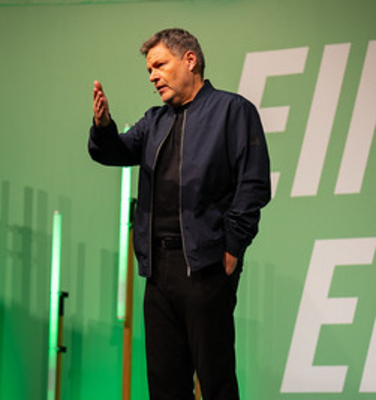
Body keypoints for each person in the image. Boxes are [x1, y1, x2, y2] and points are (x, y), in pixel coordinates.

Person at [89, 28, 271, 400]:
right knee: (165, 384)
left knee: (216, 380)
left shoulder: (232, 111)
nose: (152, 76)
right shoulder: (154, 120)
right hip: (158, 270)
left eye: (159, 65)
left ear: (190, 60)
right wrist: (103, 127)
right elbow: (116, 152)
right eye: (149, 70)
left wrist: (232, 248)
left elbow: (253, 184)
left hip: (207, 265)